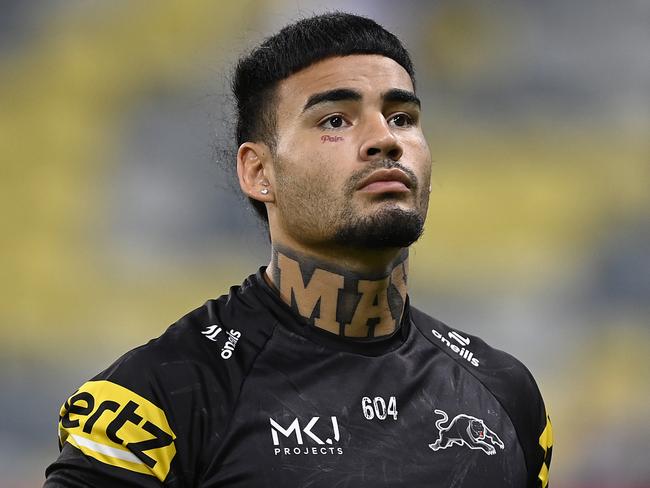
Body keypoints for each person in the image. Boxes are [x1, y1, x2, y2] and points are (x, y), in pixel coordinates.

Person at [44, 12, 553, 488]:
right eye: (335, 120)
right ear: (259, 173)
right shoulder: (159, 400)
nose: (385, 140)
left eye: (401, 117)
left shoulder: (507, 396)